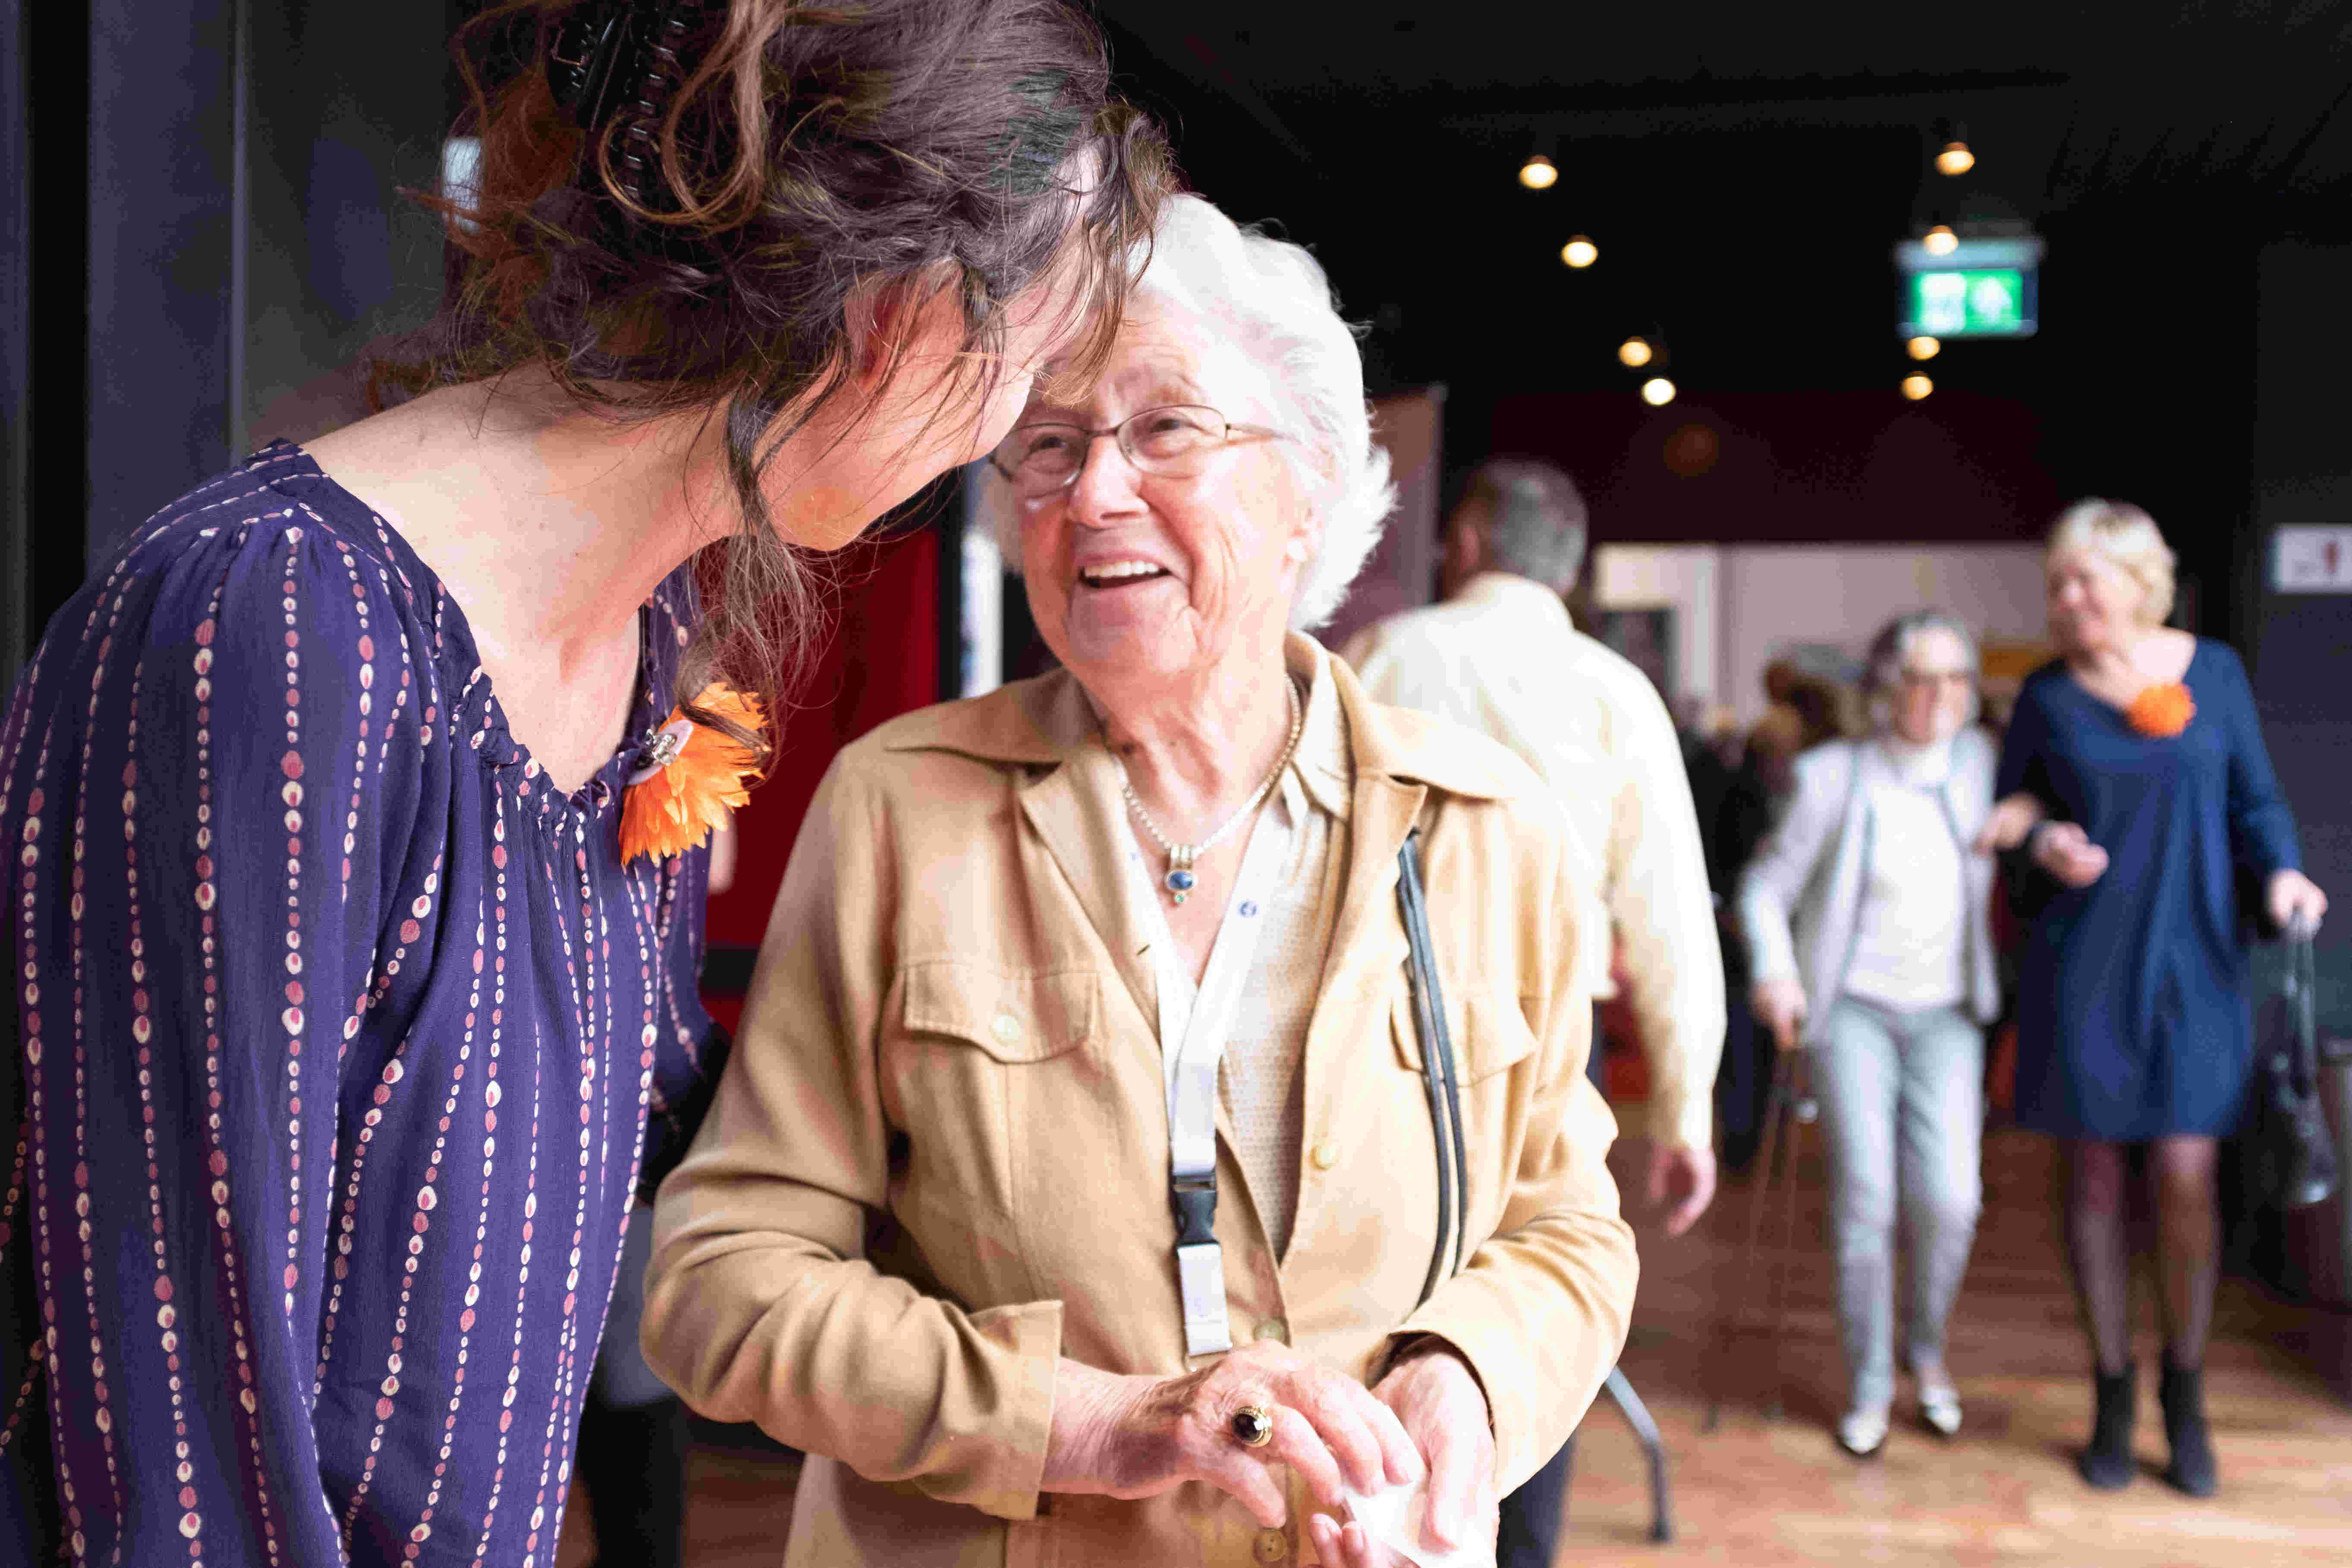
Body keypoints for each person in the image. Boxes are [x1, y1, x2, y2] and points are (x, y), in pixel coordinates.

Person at [0, 3, 1167, 1562]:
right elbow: (169, 1445)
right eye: (1021, 375)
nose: (1001, 438)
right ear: (900, 319)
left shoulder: (648, 649)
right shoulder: (278, 626)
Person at [640, 194, 1637, 1568]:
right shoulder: (900, 811)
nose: (1093, 489)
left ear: (1312, 492)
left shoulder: (1478, 829)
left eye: (1166, 429)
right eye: (1049, 446)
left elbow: (1563, 1221)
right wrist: (1088, 1420)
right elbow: (721, 1283)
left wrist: (1464, 1379)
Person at [1343, 458, 1721, 1567]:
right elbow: (1668, 923)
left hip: (1377, 1040)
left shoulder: (1378, 658)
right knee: (1534, 1311)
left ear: (1462, 543)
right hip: (1555, 1050)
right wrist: (1686, 1117)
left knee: (1375, 1309)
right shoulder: (1614, 690)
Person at [1978, 501, 2328, 1496]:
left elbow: (2254, 801)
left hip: (2197, 959)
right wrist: (2042, 842)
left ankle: (2182, 1386)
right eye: (2055, 583)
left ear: (2139, 583)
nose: (2065, 599)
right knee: (2089, 1179)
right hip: (2084, 960)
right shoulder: (2045, 696)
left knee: (2183, 1175)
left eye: (2083, 580)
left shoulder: (2210, 672)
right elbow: (2016, 811)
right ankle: (2110, 1387)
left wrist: (2281, 875)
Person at [1739, 610, 2000, 1457]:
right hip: (1850, 1010)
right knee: (1867, 1202)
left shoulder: (1982, 771)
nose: (1935, 696)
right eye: (1917, 677)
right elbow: (1762, 890)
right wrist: (1776, 973)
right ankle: (1867, 1380)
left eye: (1953, 678)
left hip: (1948, 1016)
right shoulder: (1831, 777)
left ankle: (1923, 1349)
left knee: (1950, 1200)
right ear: (1884, 687)